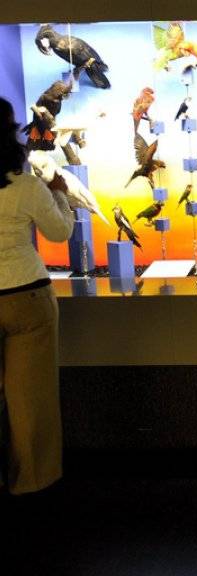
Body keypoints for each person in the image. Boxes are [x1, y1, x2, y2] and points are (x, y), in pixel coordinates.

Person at [0, 96, 74, 495]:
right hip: (27, 297)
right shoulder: (26, 187)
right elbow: (60, 232)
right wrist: (59, 192)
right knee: (31, 401)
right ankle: (31, 483)